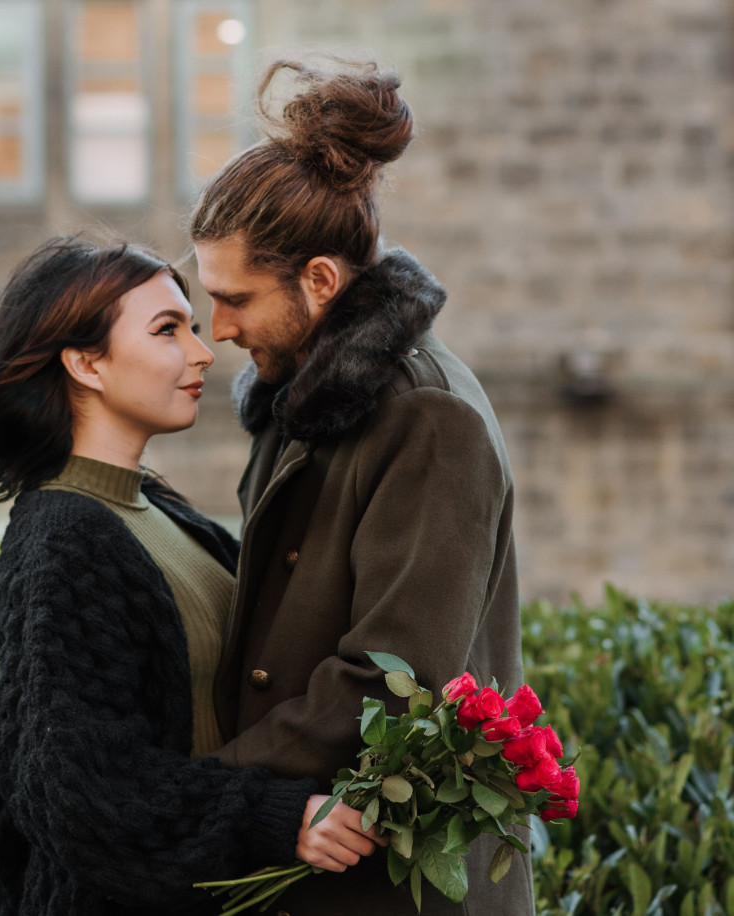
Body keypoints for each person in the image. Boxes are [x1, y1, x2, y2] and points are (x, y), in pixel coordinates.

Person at [0, 236, 385, 916]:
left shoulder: (153, 508)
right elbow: (83, 789)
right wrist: (276, 817)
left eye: (191, 327)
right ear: (87, 364)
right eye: (168, 330)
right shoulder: (65, 537)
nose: (202, 351)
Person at [189, 58, 537, 915]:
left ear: (319, 281)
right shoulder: (297, 400)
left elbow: (393, 678)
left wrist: (208, 786)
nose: (217, 328)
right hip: (320, 857)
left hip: (401, 887)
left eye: (235, 299)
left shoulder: (428, 418)